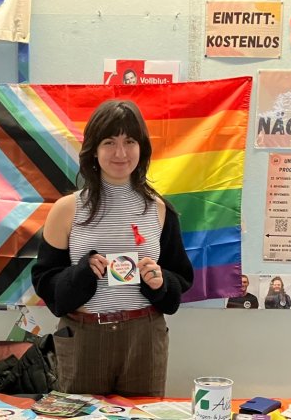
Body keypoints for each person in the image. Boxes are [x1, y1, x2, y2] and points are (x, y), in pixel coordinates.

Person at [31, 99, 194, 397]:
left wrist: (160, 282)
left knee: (144, 416)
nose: (120, 153)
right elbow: (45, 282)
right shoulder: (67, 209)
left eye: (130, 141)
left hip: (144, 337)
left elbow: (179, 280)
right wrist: (81, 273)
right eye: (109, 142)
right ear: (94, 149)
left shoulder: (160, 210)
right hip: (83, 337)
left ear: (142, 147)